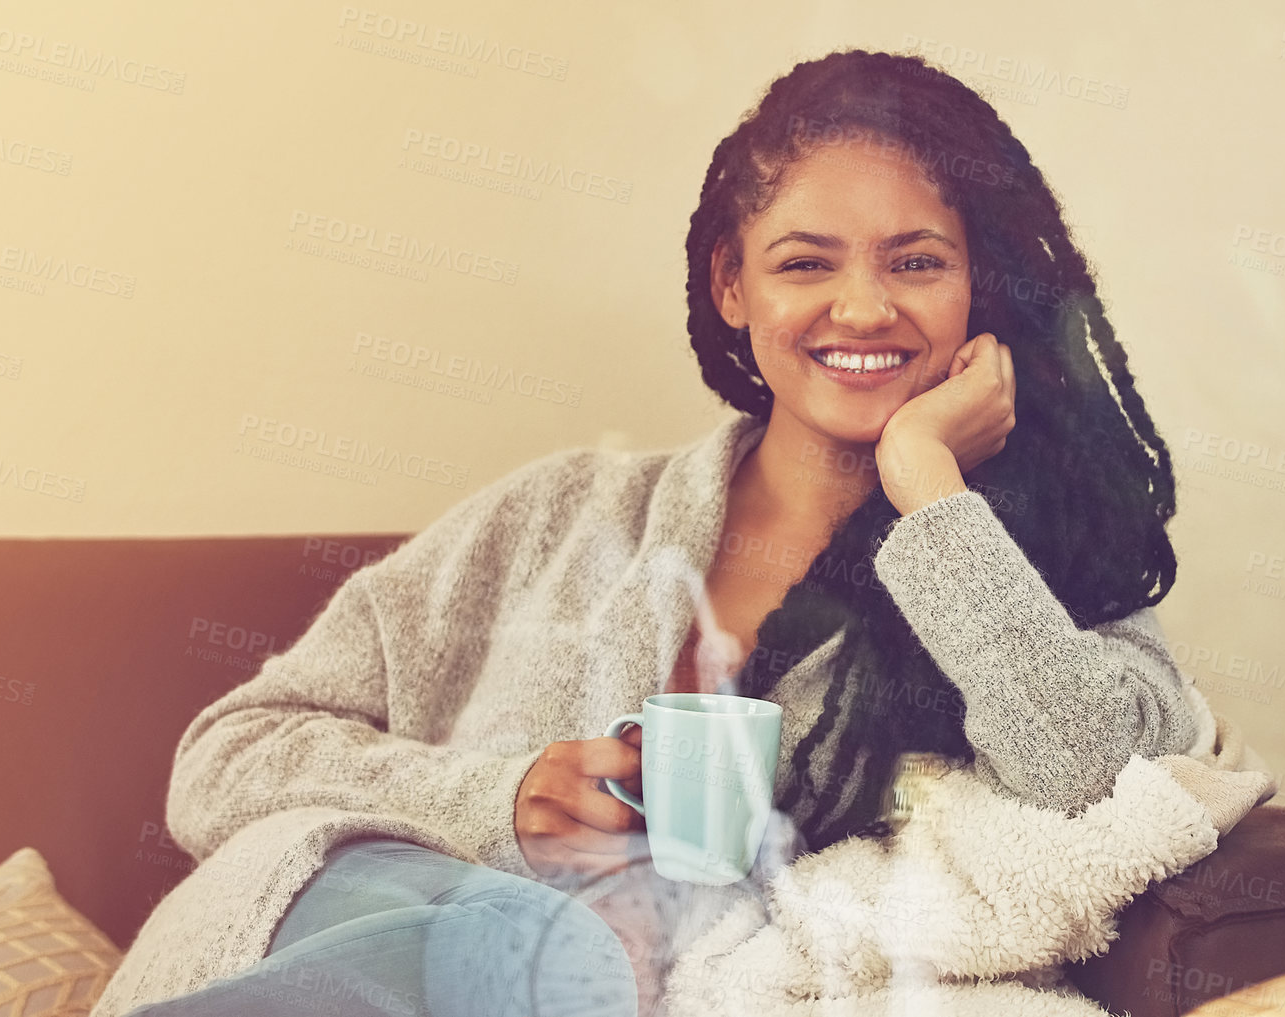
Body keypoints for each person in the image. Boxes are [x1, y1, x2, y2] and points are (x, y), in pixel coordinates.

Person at [93, 48, 1201, 1017]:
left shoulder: (1033, 562)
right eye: (805, 262)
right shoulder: (557, 516)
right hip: (352, 921)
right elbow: (223, 764)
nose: (863, 309)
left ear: (981, 292)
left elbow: (1096, 784)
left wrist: (926, 484)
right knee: (545, 946)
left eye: (917, 262)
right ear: (731, 283)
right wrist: (498, 799)